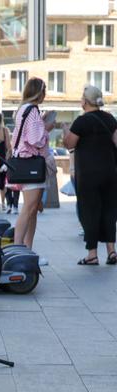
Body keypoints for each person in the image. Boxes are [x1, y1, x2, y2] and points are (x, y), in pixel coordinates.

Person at [64, 84, 117, 265]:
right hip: (110, 172)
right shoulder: (110, 119)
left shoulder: (81, 121)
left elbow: (69, 144)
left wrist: (65, 132)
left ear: (85, 102)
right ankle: (112, 251)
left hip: (88, 175)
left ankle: (92, 254)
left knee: (90, 211)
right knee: (110, 210)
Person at [8, 77, 52, 253]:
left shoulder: (23, 109)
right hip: (32, 164)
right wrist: (46, 130)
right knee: (29, 208)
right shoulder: (32, 110)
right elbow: (35, 140)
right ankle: (18, 248)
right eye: (44, 91)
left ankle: (27, 250)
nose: (45, 94)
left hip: (24, 161)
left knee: (32, 209)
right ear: (39, 92)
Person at [0, 112, 15, 214]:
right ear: (1, 120)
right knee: (3, 183)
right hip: (3, 160)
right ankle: (3, 204)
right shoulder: (5, 131)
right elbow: (9, 148)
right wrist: (7, 160)